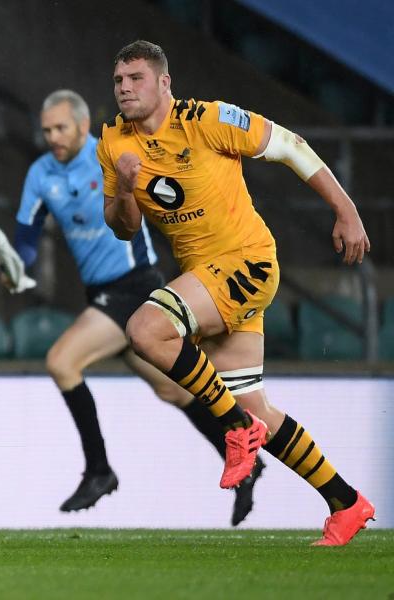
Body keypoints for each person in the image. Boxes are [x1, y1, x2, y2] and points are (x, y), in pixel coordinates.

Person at [99, 40, 374, 545]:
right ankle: (346, 501)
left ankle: (232, 429)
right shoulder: (114, 142)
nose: (124, 89)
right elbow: (122, 227)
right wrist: (121, 188)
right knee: (256, 411)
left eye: (135, 78)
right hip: (208, 279)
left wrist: (346, 209)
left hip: (245, 262)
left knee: (145, 329)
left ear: (164, 82)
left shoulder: (207, 120)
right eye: (118, 80)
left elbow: (290, 145)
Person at [1, 89, 263, 524]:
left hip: (134, 286)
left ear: (84, 126)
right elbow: (26, 238)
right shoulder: (39, 173)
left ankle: (99, 471)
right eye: (47, 129)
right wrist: (17, 266)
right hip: (103, 296)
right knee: (174, 390)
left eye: (61, 127)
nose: (53, 137)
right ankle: (240, 449)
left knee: (62, 362)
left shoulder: (110, 155)